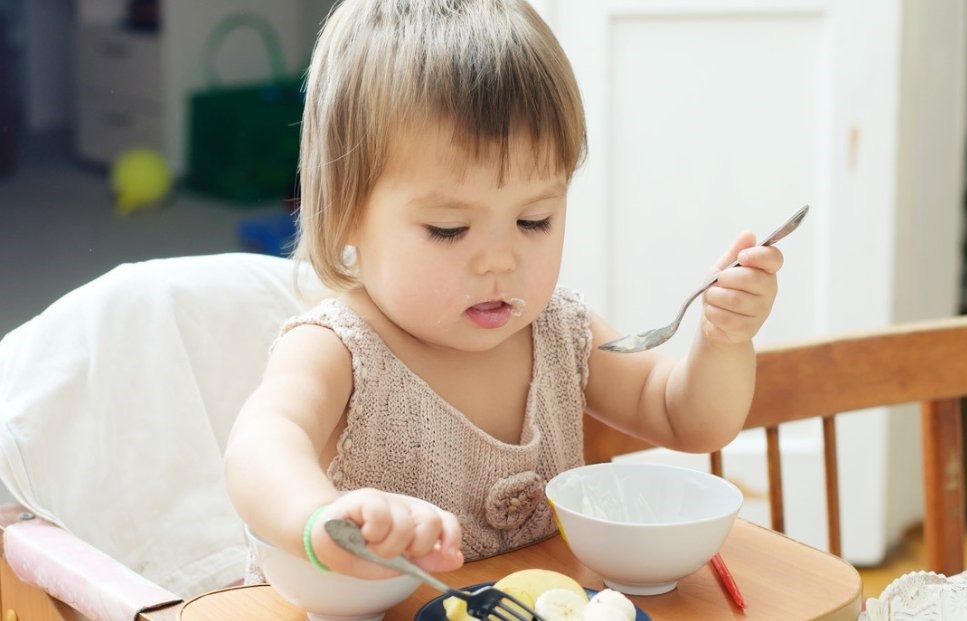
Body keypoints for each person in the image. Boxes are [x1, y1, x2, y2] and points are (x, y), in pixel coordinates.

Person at [223, 0, 784, 582]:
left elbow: (689, 419)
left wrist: (723, 339)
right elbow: (260, 446)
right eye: (449, 229)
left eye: (535, 219)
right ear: (344, 215)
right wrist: (322, 521)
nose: (500, 259)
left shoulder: (561, 333)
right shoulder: (339, 350)